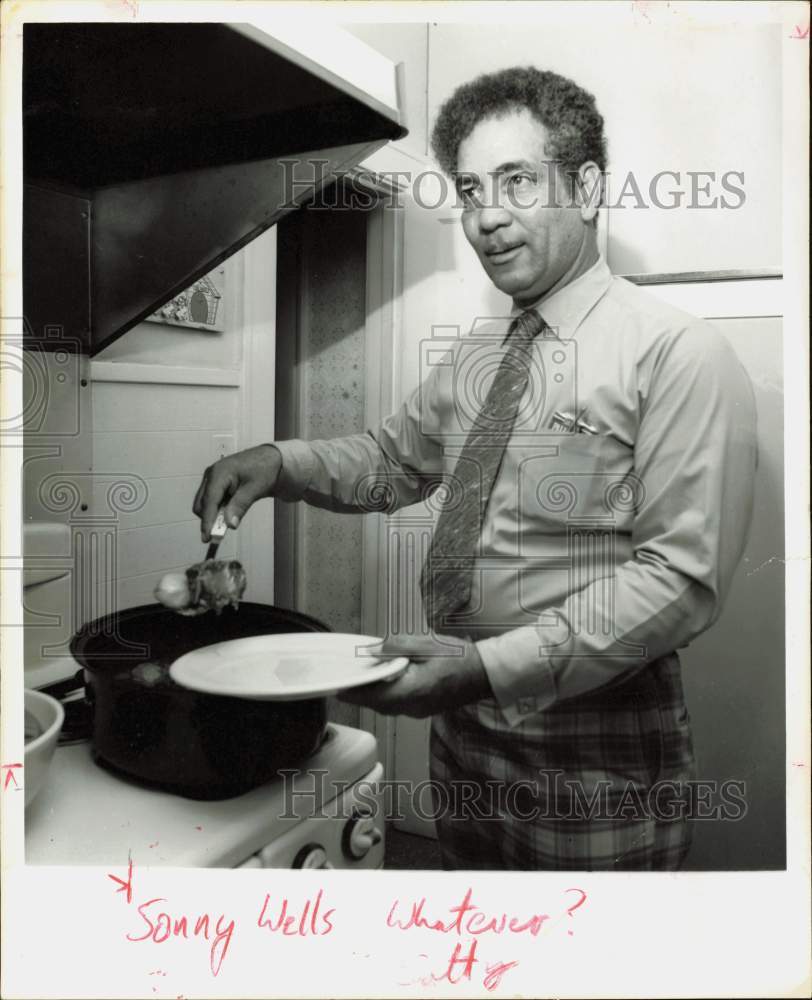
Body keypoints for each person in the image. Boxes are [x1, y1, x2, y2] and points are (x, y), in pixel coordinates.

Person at [193, 67, 757, 871]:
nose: (487, 217)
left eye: (518, 181)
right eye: (469, 189)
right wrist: (278, 462)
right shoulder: (477, 355)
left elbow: (680, 578)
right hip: (463, 735)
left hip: (595, 756)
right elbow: (389, 463)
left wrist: (483, 670)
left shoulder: (677, 353)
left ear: (587, 187)